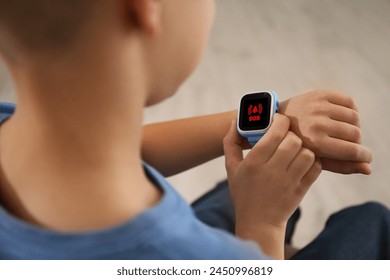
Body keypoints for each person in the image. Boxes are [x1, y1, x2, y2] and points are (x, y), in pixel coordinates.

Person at [0, 0, 384, 260]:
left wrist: (271, 115)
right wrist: (262, 225)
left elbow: (132, 153)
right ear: (146, 8)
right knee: (369, 221)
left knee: (240, 193)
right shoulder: (196, 256)